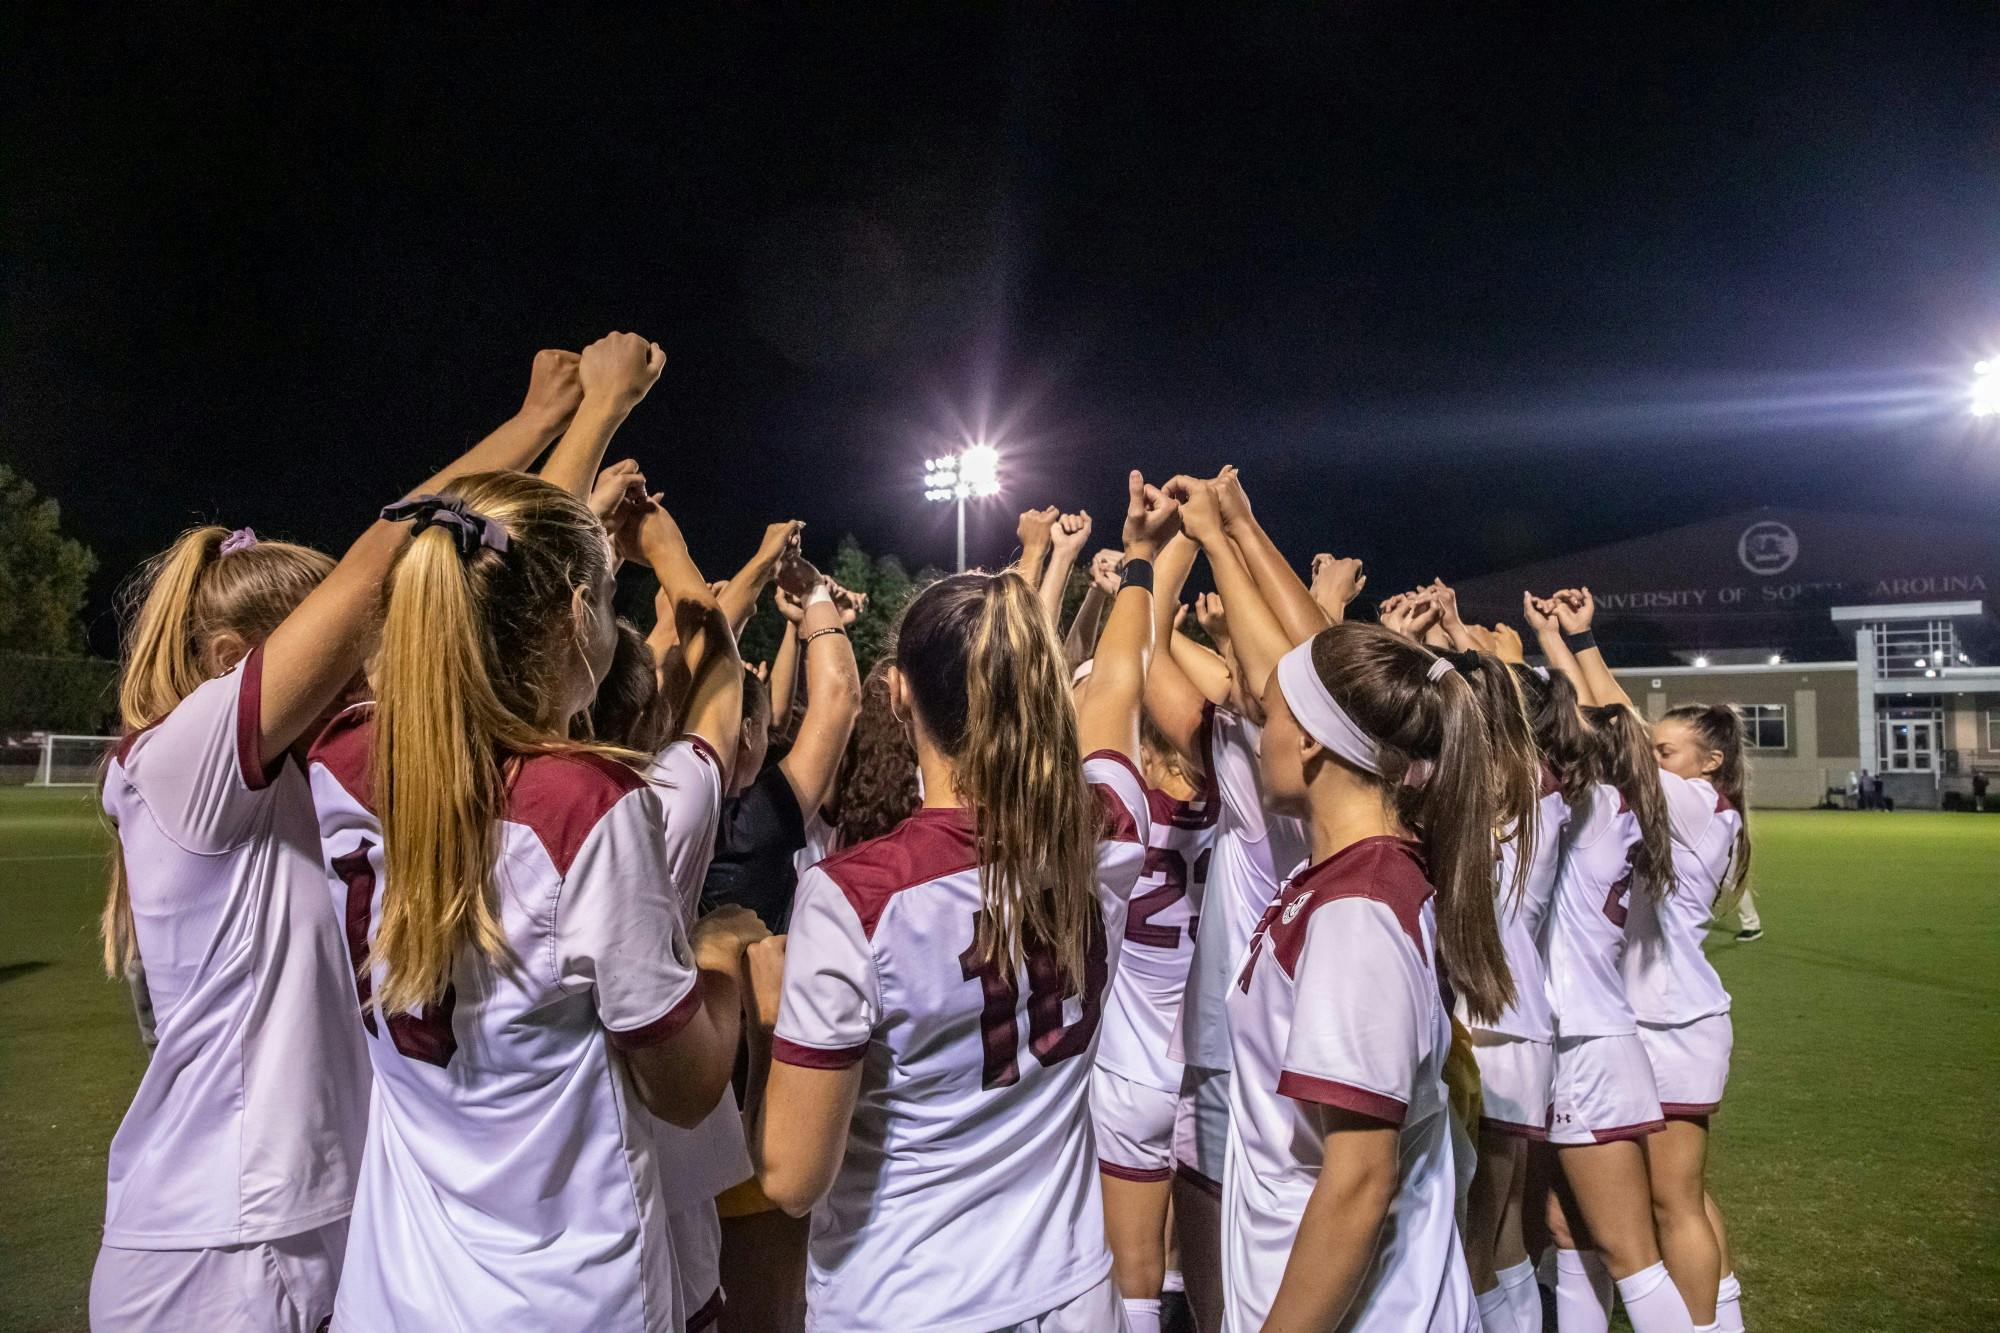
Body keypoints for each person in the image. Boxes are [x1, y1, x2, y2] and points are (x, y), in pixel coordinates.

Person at [89, 347, 587, 1333]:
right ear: (235, 663)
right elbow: (386, 558)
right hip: (220, 1249)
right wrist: (538, 420)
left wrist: (585, 447)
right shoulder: (177, 765)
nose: (367, 672)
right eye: (342, 656)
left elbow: (488, 622)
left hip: (314, 1223)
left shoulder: (327, 778)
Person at [308, 341, 771, 1330]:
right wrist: (723, 960)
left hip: (393, 1293)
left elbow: (487, 564)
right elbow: (685, 1087)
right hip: (566, 1296)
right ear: (573, 613)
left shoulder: (340, 760)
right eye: (601, 600)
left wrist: (589, 421)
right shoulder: (581, 801)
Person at [739, 471, 1182, 1331]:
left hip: (911, 1298)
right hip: (1069, 1287)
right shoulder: (1104, 830)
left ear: (900, 692)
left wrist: (765, 1025)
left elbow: (792, 1179)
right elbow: (1122, 678)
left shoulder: (854, 896)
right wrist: (1138, 560)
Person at [1223, 621, 1526, 1330]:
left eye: (1269, 715)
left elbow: (1359, 1181)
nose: (1258, 733)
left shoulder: (1358, 912)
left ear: (1309, 740)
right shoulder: (1343, 876)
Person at [1141, 476, 1314, 1332]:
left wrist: (1173, 545)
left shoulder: (1251, 760)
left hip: (1233, 1043)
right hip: (1300, 1041)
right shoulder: (1363, 773)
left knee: (1235, 1269)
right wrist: (1235, 530)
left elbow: (1143, 654)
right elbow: (1317, 665)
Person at [1527, 589, 1700, 1333]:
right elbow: (1612, 717)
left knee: (1631, 1251)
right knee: (1571, 1230)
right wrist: (1564, 640)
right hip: (1598, 1036)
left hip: (1588, 1046)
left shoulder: (1584, 806)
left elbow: (1580, 718)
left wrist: (1538, 656)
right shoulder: (1626, 802)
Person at [1638, 704, 1753, 1333]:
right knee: (1680, 1196)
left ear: (1710, 763)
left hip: (1675, 1023)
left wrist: (1574, 646)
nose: (1655, 760)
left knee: (1671, 1201)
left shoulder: (1697, 802)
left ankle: (1705, 1326)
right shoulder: (1696, 802)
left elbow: (1616, 731)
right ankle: (1723, 1318)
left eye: (1667, 752)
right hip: (1663, 1017)